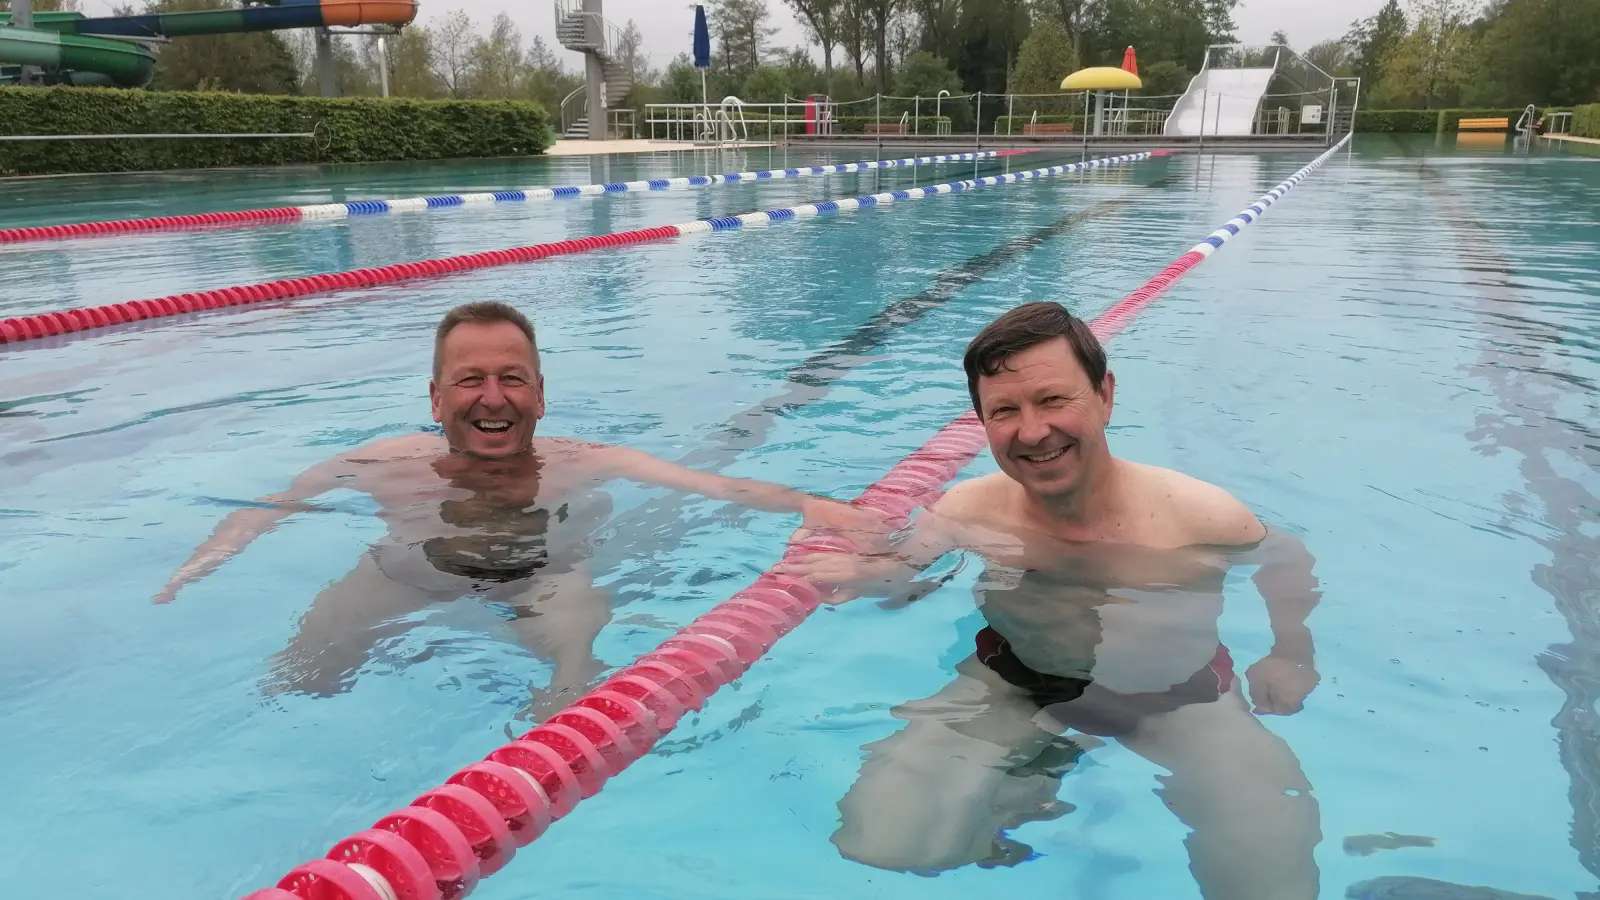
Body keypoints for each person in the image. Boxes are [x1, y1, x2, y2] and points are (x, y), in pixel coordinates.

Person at [776, 302, 1325, 899]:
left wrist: (1290, 654)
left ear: (1105, 394)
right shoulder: (967, 511)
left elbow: (1286, 559)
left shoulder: (1199, 516)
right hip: (1013, 686)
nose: (1032, 432)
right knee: (882, 841)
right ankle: (1023, 787)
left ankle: (1031, 775)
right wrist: (853, 569)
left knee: (1273, 880)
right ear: (982, 422)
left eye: (1053, 400)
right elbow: (902, 576)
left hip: (1178, 703)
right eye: (1005, 410)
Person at [158, 301, 884, 703]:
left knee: (576, 661)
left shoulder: (585, 462)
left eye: (512, 377)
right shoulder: (379, 462)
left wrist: (809, 505)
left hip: (543, 575)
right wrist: (207, 561)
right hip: (398, 574)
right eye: (471, 379)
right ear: (436, 398)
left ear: (540, 393)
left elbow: (717, 486)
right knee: (299, 678)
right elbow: (272, 503)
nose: (494, 397)